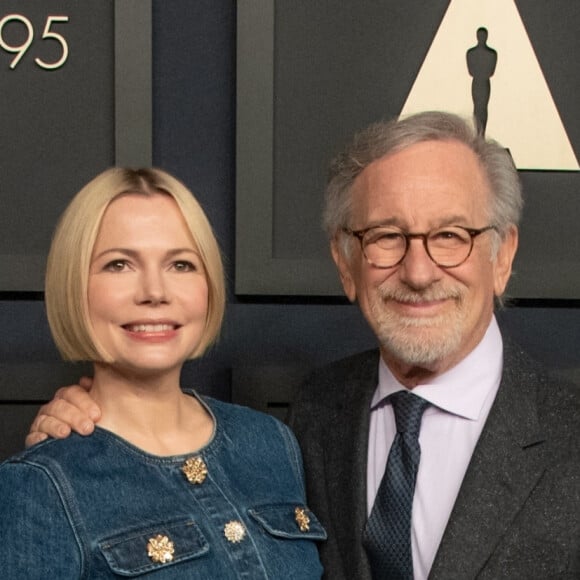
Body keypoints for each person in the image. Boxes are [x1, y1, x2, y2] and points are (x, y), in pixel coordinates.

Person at [26, 113, 580, 579]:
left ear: (502, 256)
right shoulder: (315, 416)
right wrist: (73, 448)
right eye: (386, 236)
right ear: (346, 264)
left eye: (450, 236)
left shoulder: (568, 435)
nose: (417, 270)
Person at [1, 167, 325, 578]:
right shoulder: (38, 485)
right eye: (119, 264)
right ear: (74, 286)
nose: (154, 291)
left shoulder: (270, 442)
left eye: (181, 265)